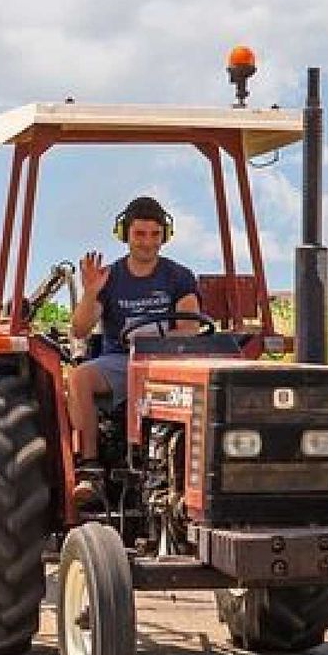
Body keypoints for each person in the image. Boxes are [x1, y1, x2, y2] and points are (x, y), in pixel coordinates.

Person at [68, 195, 200, 501]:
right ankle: (90, 468)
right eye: (140, 234)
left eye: (155, 234)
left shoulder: (179, 276)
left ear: (165, 236)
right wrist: (90, 294)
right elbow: (79, 329)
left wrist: (165, 342)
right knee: (79, 378)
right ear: (125, 235)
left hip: (169, 361)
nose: (147, 242)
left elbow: (189, 327)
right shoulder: (110, 278)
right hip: (122, 361)